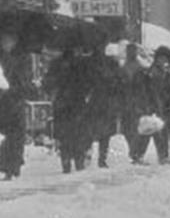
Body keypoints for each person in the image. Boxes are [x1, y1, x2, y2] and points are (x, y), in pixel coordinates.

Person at [44, 45, 94, 173]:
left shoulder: (57, 64)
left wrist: (54, 92)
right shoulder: (81, 64)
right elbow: (88, 82)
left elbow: (48, 83)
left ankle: (65, 160)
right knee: (78, 133)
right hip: (78, 103)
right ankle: (79, 160)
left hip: (62, 103)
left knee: (64, 134)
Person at [0, 30, 31, 180]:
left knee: (14, 136)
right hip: (4, 103)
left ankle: (12, 167)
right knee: (7, 136)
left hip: (12, 102)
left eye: (10, 41)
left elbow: (23, 82)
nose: (7, 44)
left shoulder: (18, 59)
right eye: (5, 41)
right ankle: (6, 165)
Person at [120, 42, 160, 164]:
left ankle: (137, 153)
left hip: (139, 104)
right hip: (129, 104)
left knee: (140, 129)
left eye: (133, 51)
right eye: (129, 51)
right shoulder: (123, 69)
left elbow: (149, 88)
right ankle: (135, 152)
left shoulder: (142, 70)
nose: (131, 53)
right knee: (129, 129)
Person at [86, 44, 125, 168]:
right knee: (106, 134)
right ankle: (102, 159)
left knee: (92, 130)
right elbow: (120, 86)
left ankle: (88, 154)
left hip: (96, 102)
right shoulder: (115, 68)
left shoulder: (94, 66)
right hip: (109, 103)